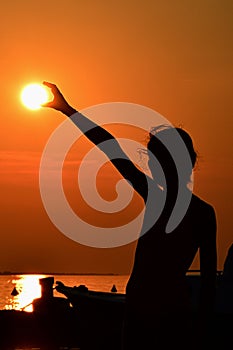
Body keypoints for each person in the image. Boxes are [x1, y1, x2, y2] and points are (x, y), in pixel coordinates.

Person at [42, 81, 217, 350]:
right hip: (142, 312)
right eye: (151, 158)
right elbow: (108, 145)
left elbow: (208, 284)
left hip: (166, 317)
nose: (151, 164)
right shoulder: (174, 203)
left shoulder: (195, 211)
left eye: (157, 159)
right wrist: (68, 111)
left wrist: (203, 331)